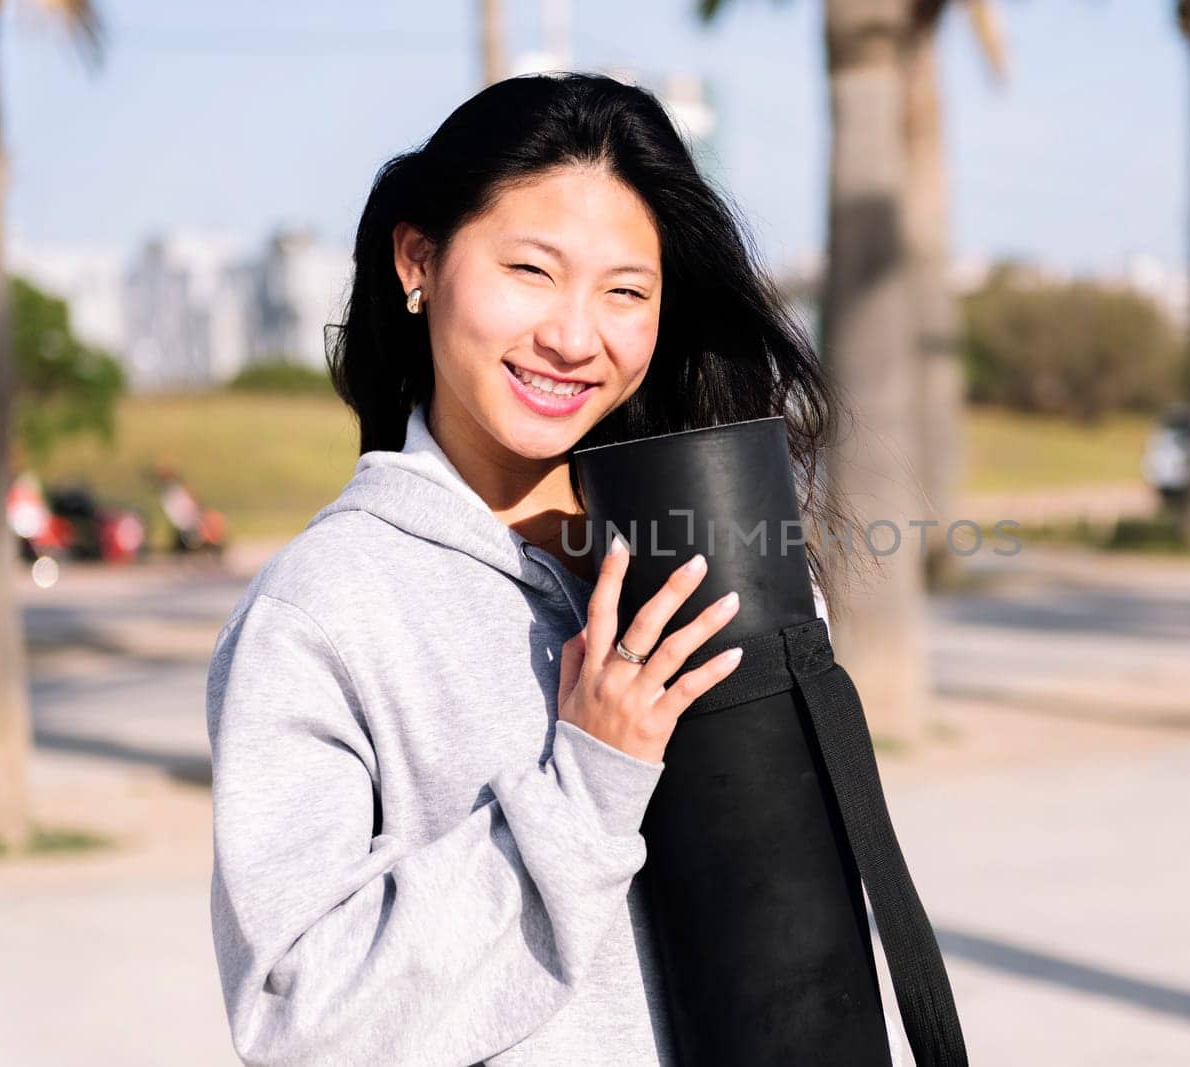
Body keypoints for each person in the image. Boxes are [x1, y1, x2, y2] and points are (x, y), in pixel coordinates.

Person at [205, 73, 859, 1066]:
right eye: (531, 270)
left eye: (625, 291)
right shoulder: (323, 606)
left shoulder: (703, 544)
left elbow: (806, 938)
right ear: (418, 260)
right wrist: (587, 781)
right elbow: (303, 1022)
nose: (573, 334)